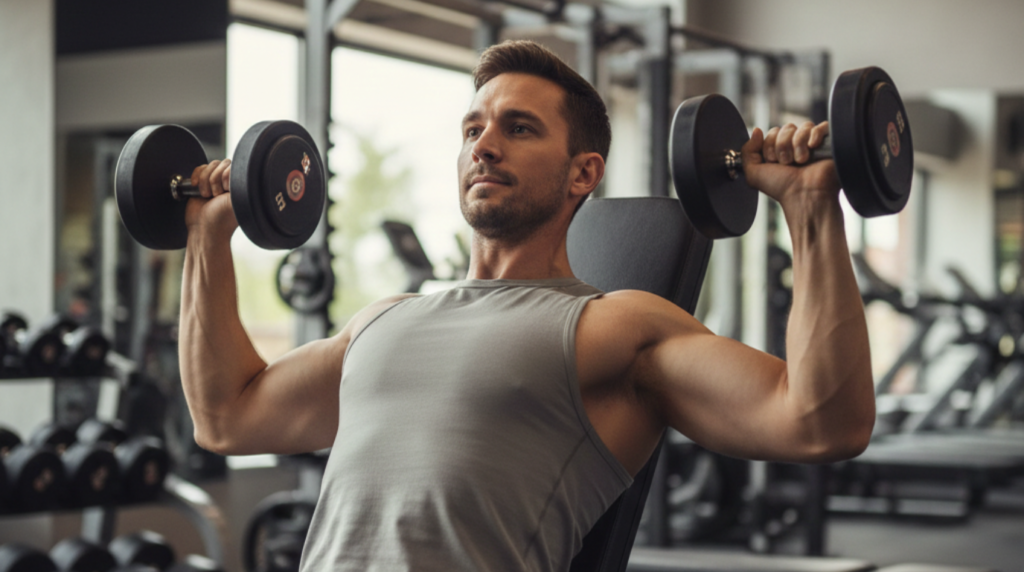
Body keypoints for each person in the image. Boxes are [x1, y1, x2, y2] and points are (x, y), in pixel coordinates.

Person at [180, 40, 874, 571]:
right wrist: (208, 235)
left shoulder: (615, 325)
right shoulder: (382, 319)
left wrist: (811, 208)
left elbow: (821, 423)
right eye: (473, 129)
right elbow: (226, 416)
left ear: (583, 173)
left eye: (518, 128)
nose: (483, 145)